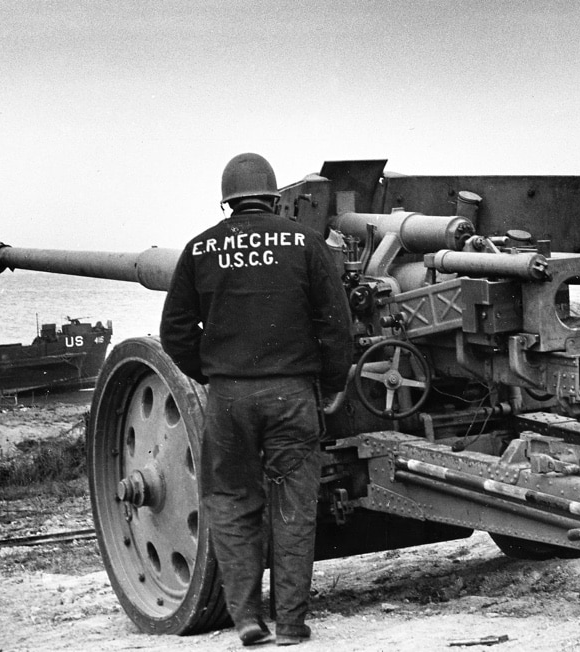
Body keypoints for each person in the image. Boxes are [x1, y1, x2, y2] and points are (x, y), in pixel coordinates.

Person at [160, 153, 353, 646]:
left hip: (229, 399)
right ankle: (290, 624)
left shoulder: (200, 249)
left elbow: (176, 331)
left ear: (227, 202)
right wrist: (330, 385)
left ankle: (245, 618)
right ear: (273, 198)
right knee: (294, 509)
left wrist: (212, 374)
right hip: (292, 396)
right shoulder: (305, 244)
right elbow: (336, 326)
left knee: (230, 504)